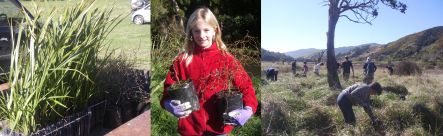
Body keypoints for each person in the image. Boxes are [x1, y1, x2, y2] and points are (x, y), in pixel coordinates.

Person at [160, 8, 258, 135]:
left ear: (215, 31)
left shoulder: (227, 60)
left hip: (219, 131)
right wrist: (169, 105)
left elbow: (247, 87)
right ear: (190, 33)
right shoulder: (181, 61)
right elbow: (167, 92)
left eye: (206, 30)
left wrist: (248, 109)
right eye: (196, 31)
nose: (201, 35)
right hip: (190, 130)